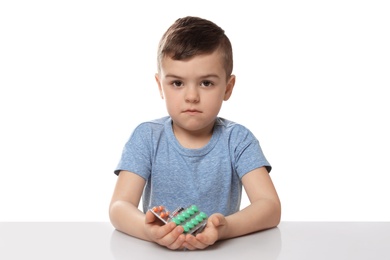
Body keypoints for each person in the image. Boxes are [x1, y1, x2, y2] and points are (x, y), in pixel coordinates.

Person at [109, 16, 281, 250]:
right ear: (160, 85)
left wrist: (225, 228)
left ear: (227, 88)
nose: (191, 96)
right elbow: (119, 207)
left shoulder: (238, 139)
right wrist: (148, 230)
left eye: (206, 83)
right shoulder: (147, 137)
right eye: (177, 83)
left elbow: (270, 207)